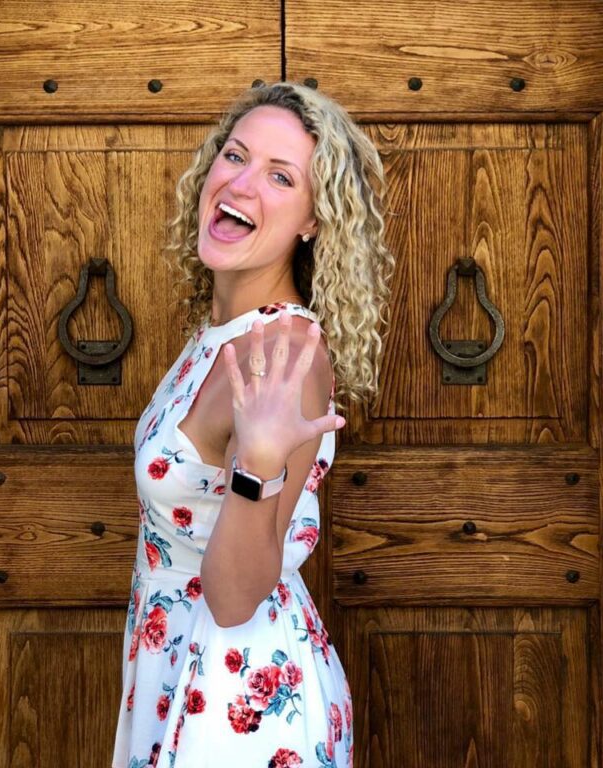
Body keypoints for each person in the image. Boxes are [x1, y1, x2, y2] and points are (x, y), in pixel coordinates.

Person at [112, 81, 395, 768]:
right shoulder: (223, 336)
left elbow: (237, 597)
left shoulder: (284, 357)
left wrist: (261, 462)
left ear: (312, 219)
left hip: (235, 695)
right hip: (176, 662)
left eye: (280, 175)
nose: (242, 183)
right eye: (235, 156)